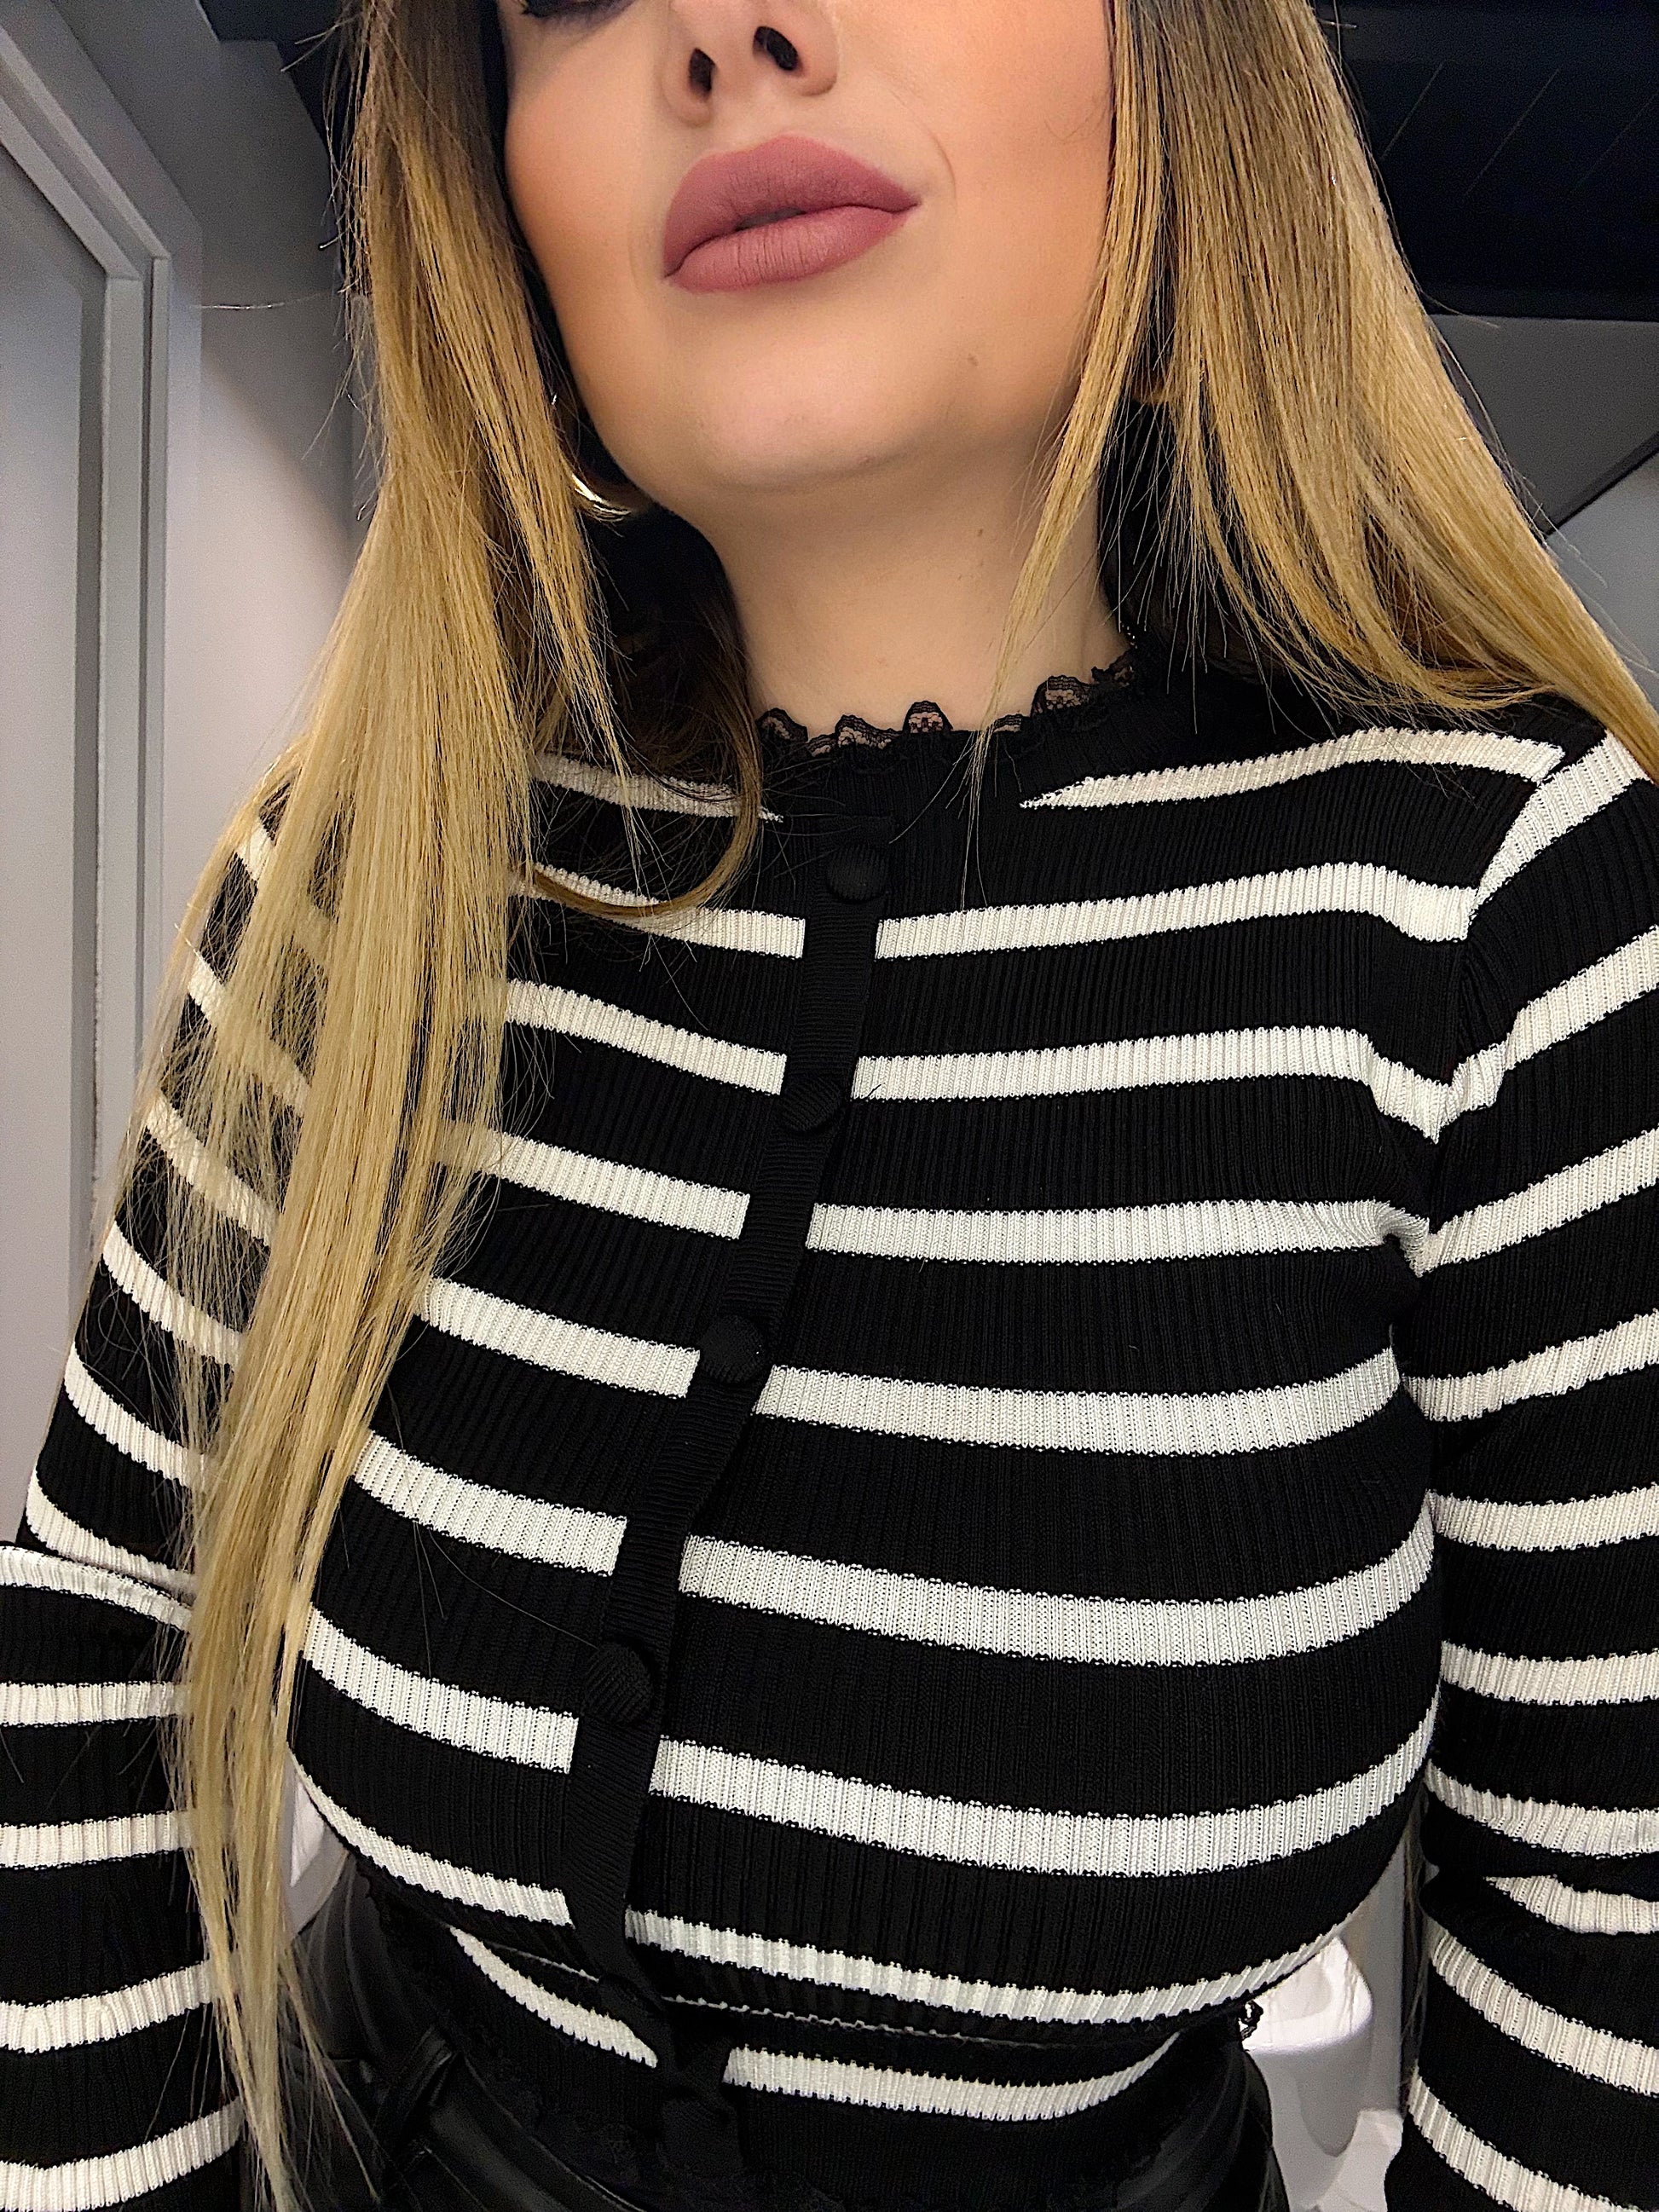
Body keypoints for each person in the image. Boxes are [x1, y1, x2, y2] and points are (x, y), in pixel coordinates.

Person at [3, 0, 1656, 2207]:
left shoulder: (1498, 898)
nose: (717, 27)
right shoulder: (372, 874)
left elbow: (1608, 1894)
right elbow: (89, 1610)